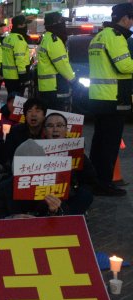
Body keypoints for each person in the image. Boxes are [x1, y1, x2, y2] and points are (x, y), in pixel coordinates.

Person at [88, 2, 133, 196]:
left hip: (99, 97)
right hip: (113, 98)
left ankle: (96, 180)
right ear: (125, 18)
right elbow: (124, 66)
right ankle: (104, 184)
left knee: (99, 142)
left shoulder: (100, 35)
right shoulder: (115, 37)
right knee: (109, 144)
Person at [0, 139, 67, 218]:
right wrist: (11, 219)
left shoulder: (54, 188)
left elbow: (66, 220)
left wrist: (53, 212)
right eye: (26, 165)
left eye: (35, 165)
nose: (30, 170)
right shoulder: (4, 188)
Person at [41, 113, 95, 215]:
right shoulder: (35, 149)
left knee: (85, 195)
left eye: (59, 125)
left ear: (66, 130)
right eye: (50, 126)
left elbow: (90, 178)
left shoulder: (76, 151)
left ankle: (66, 218)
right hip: (43, 195)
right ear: (44, 130)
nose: (55, 129)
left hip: (70, 195)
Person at [37, 12, 75, 111]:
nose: (64, 26)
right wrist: (73, 79)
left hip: (47, 86)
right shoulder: (55, 41)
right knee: (56, 116)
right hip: (55, 86)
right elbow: (61, 63)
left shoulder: (47, 38)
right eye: (63, 23)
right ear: (56, 24)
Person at [1, 15, 31, 97]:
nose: (26, 26)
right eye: (25, 24)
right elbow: (20, 59)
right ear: (20, 25)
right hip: (17, 77)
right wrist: (23, 77)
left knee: (11, 99)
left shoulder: (7, 38)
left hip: (7, 76)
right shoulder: (19, 40)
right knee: (17, 103)